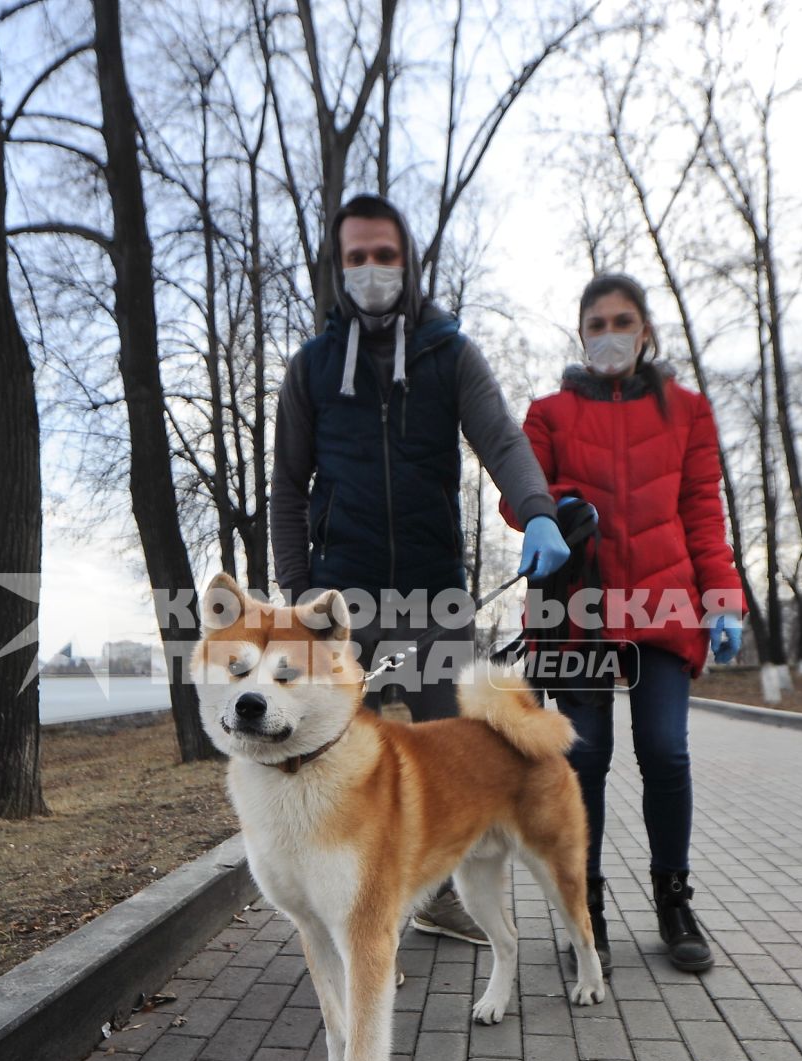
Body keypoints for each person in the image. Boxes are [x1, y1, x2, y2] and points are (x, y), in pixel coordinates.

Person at [272, 192, 571, 946]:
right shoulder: (310, 370)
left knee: (450, 753)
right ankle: (337, 888)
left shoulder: (449, 353)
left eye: (385, 255)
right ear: (338, 269)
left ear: (407, 262)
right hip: (342, 593)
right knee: (330, 750)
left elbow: (500, 436)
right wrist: (300, 592)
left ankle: (435, 893)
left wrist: (537, 508)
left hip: (435, 589)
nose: (372, 270)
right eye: (356, 258)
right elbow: (286, 487)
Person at [504, 274, 745, 973]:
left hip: (666, 605)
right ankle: (588, 908)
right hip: (578, 605)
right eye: (596, 324)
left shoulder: (690, 412)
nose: (610, 335)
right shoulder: (547, 412)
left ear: (646, 331)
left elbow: (703, 509)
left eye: (623, 321)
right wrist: (553, 508)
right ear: (581, 335)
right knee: (584, 759)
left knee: (666, 751)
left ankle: (674, 898)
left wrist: (722, 593)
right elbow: (519, 494)